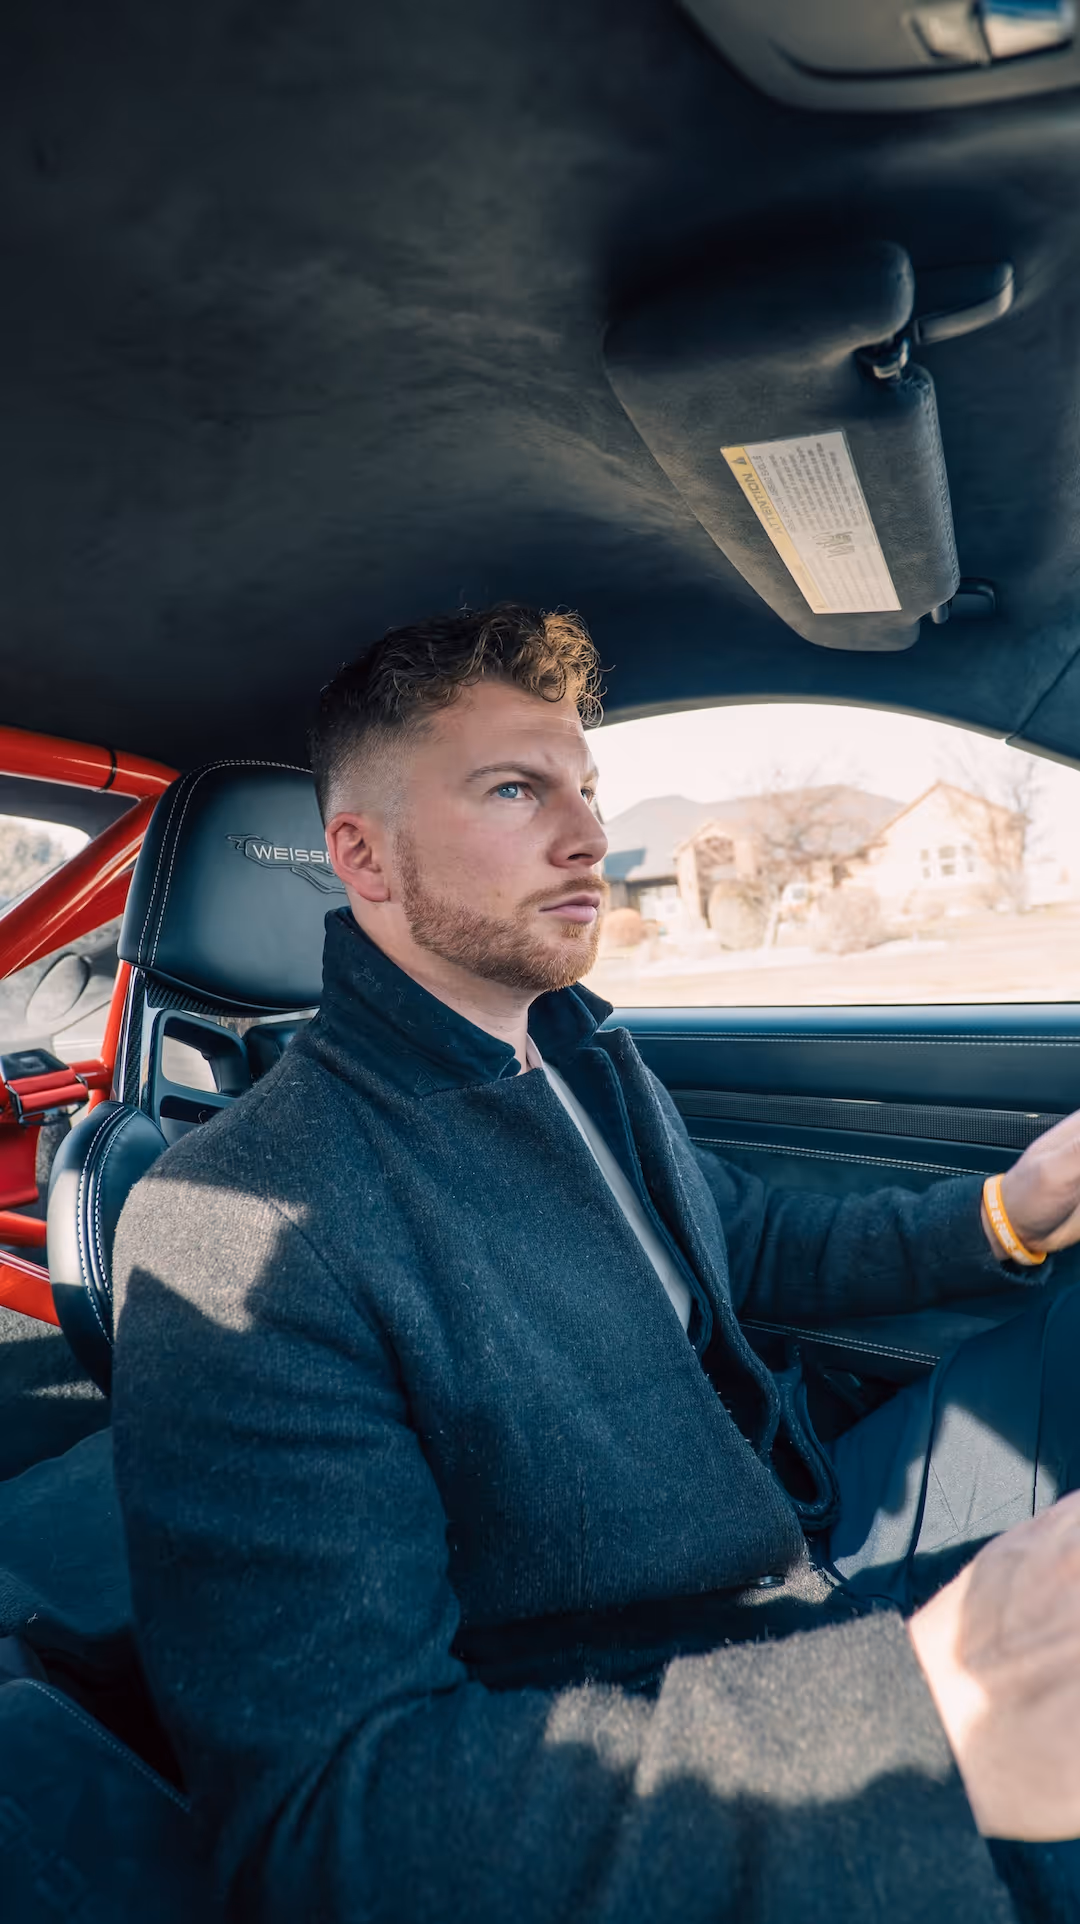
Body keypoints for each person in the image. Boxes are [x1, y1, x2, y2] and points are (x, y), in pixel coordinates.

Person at [112, 603, 1080, 1924]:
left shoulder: (575, 1051)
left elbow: (744, 1242)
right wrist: (913, 1731)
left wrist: (1011, 1211)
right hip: (679, 1709)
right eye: (515, 789)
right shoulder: (240, 1219)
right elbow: (331, 1816)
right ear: (365, 856)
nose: (588, 836)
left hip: (794, 1539)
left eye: (586, 785)